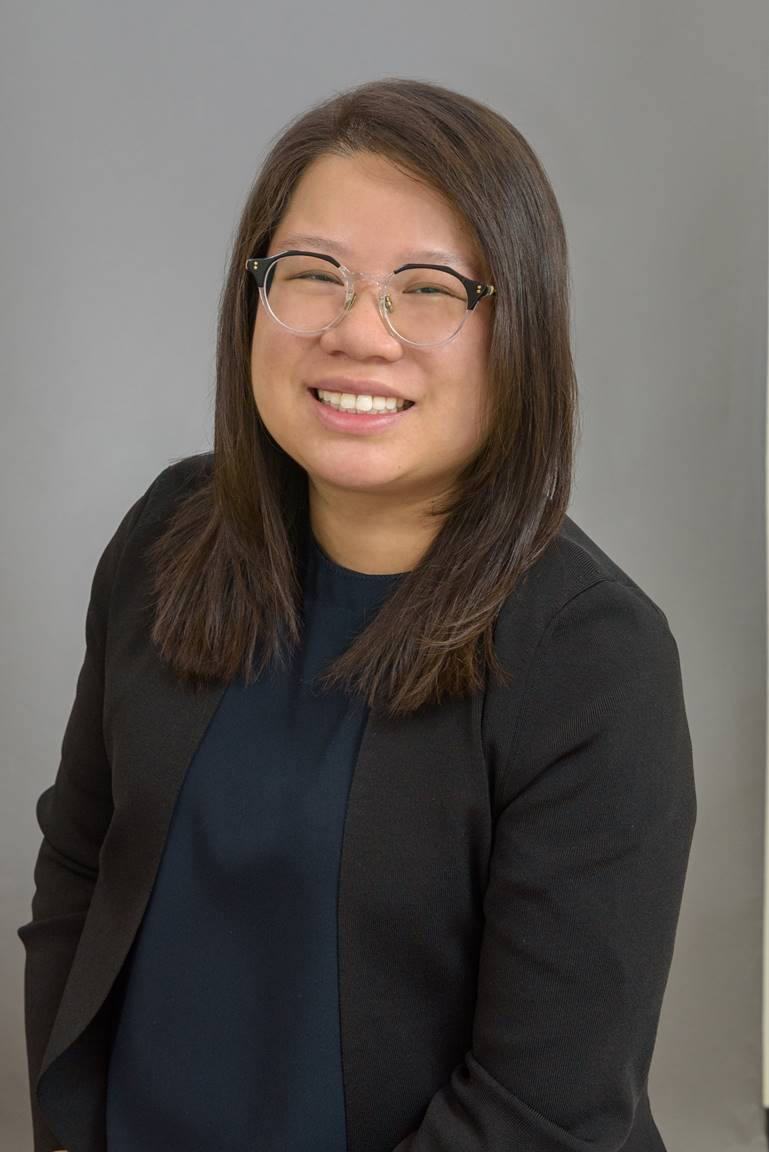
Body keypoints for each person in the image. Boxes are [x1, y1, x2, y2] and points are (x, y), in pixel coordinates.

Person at [18, 77, 697, 1152]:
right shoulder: (165, 537)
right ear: (254, 295)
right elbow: (78, 870)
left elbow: (540, 1113)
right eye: (312, 273)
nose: (357, 333)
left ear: (516, 327)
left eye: (426, 288)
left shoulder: (592, 657)